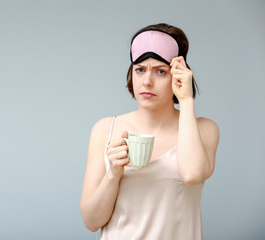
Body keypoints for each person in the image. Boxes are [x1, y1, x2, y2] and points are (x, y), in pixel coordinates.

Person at [80, 23, 220, 240]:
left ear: (177, 76)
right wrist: (113, 174)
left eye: (160, 71)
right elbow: (91, 221)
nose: (147, 81)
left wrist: (186, 100)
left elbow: (192, 175)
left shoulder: (204, 129)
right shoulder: (105, 129)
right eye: (140, 70)